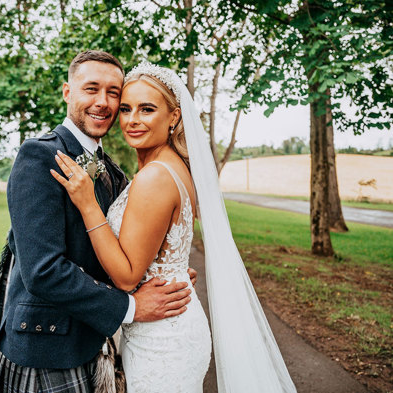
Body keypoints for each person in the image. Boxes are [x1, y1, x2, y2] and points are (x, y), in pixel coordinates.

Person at [52, 62, 298, 393]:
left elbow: (126, 275)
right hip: (170, 321)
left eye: (147, 109)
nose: (132, 119)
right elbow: (161, 249)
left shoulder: (154, 176)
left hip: (162, 340)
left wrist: (88, 204)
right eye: (125, 109)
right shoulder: (174, 168)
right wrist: (174, 271)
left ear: (174, 117)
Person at [0, 51, 198, 393]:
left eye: (114, 93)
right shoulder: (40, 155)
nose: (103, 102)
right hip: (45, 349)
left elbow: (122, 246)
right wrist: (131, 306)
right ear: (68, 92)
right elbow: (42, 271)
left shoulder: (112, 170)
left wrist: (162, 270)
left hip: (90, 340)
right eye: (91, 89)